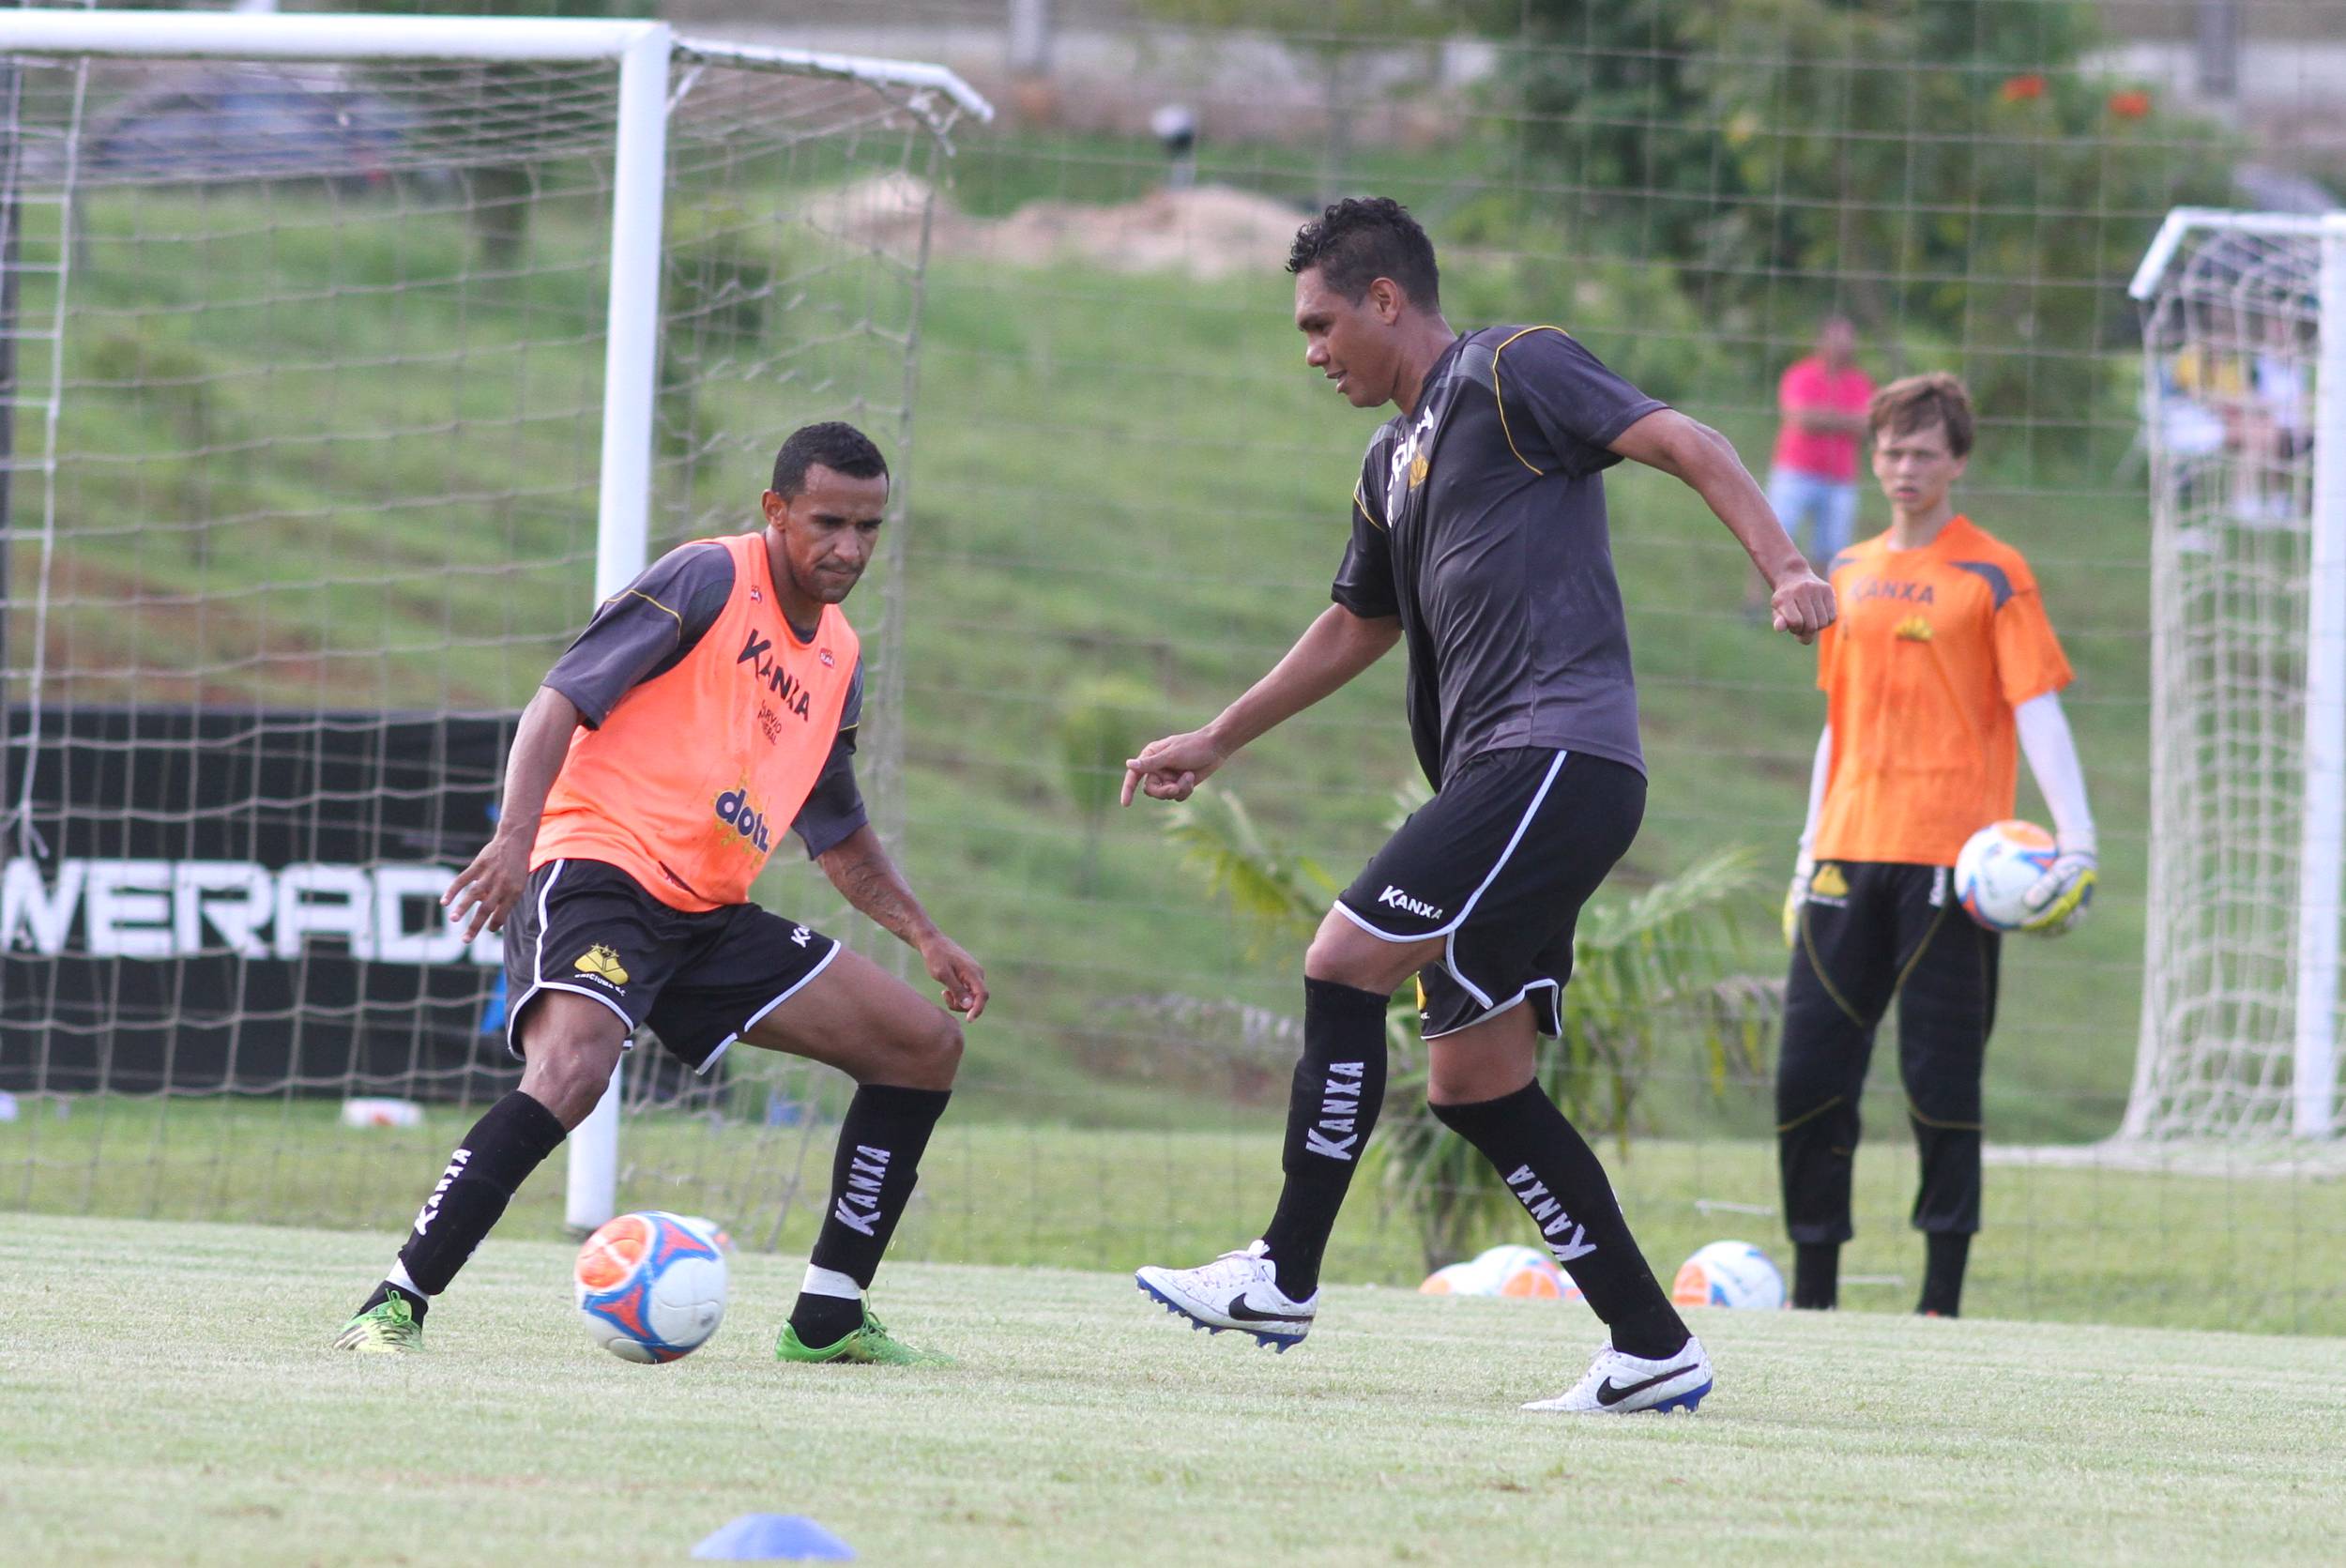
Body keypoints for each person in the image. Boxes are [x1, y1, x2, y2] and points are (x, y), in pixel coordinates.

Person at [1120, 197, 1835, 1414]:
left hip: (1554, 754)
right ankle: (1653, 1345)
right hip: (1508, 779)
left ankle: (1283, 1270)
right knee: (1475, 1083)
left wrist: (1790, 565)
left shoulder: (1514, 368)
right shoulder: (1386, 460)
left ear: (1387, 298)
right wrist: (1218, 736)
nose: (1311, 350)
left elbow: (1686, 440)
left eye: (1321, 321)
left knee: (1344, 959)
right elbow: (1359, 619)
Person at [333, 421, 987, 1364]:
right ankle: (395, 1301)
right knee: (574, 1072)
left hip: (706, 915)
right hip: (599, 869)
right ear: (776, 511)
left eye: (868, 528)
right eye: (828, 522)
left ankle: (828, 1318)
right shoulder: (707, 578)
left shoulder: (839, 659)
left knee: (922, 1047)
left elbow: (836, 830)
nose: (849, 548)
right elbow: (558, 698)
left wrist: (925, 935)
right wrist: (515, 841)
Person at [1776, 373, 2095, 1320]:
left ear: (1957, 461)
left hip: (1956, 867)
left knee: (1939, 1083)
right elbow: (1836, 725)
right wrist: (1804, 852)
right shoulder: (1844, 570)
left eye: (1921, 452)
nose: (1902, 468)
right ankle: (1814, 1294)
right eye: (1889, 451)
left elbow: (2035, 710)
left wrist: (2074, 841)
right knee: (1807, 1078)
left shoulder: (1993, 572)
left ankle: (1939, 1306)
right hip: (1844, 852)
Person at [1747, 317, 1874, 615]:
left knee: (1830, 549)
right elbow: (1800, 418)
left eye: (1848, 340)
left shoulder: (1860, 382)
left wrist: (1822, 418)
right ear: (1822, 342)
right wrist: (1845, 420)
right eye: (1837, 340)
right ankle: (1755, 601)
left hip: (1840, 478)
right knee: (1772, 537)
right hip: (1795, 472)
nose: (1844, 347)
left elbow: (1867, 424)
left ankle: (1817, 609)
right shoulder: (1801, 374)